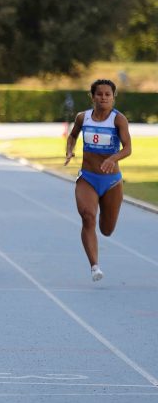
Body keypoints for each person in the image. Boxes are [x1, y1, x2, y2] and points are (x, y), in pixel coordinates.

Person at [64, 79, 132, 282]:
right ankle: (94, 266)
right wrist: (70, 150)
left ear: (113, 97)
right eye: (99, 94)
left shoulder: (118, 120)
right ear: (92, 96)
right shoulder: (82, 117)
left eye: (107, 94)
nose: (103, 98)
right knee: (87, 217)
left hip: (111, 181)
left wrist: (113, 158)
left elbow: (128, 148)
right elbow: (72, 136)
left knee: (106, 230)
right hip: (88, 177)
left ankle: (105, 216)